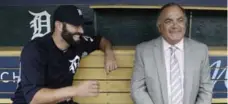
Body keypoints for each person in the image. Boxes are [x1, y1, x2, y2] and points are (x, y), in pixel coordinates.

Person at [11, 5, 118, 104]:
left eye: (81, 25)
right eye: (75, 26)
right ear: (59, 25)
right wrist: (75, 90)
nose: (81, 30)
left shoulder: (78, 42)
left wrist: (109, 53)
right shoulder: (35, 50)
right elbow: (34, 98)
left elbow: (101, 41)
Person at [131, 3, 213, 104]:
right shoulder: (143, 51)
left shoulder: (200, 50)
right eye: (168, 21)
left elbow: (206, 90)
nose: (175, 26)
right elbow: (137, 89)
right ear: (160, 27)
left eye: (180, 20)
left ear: (185, 25)